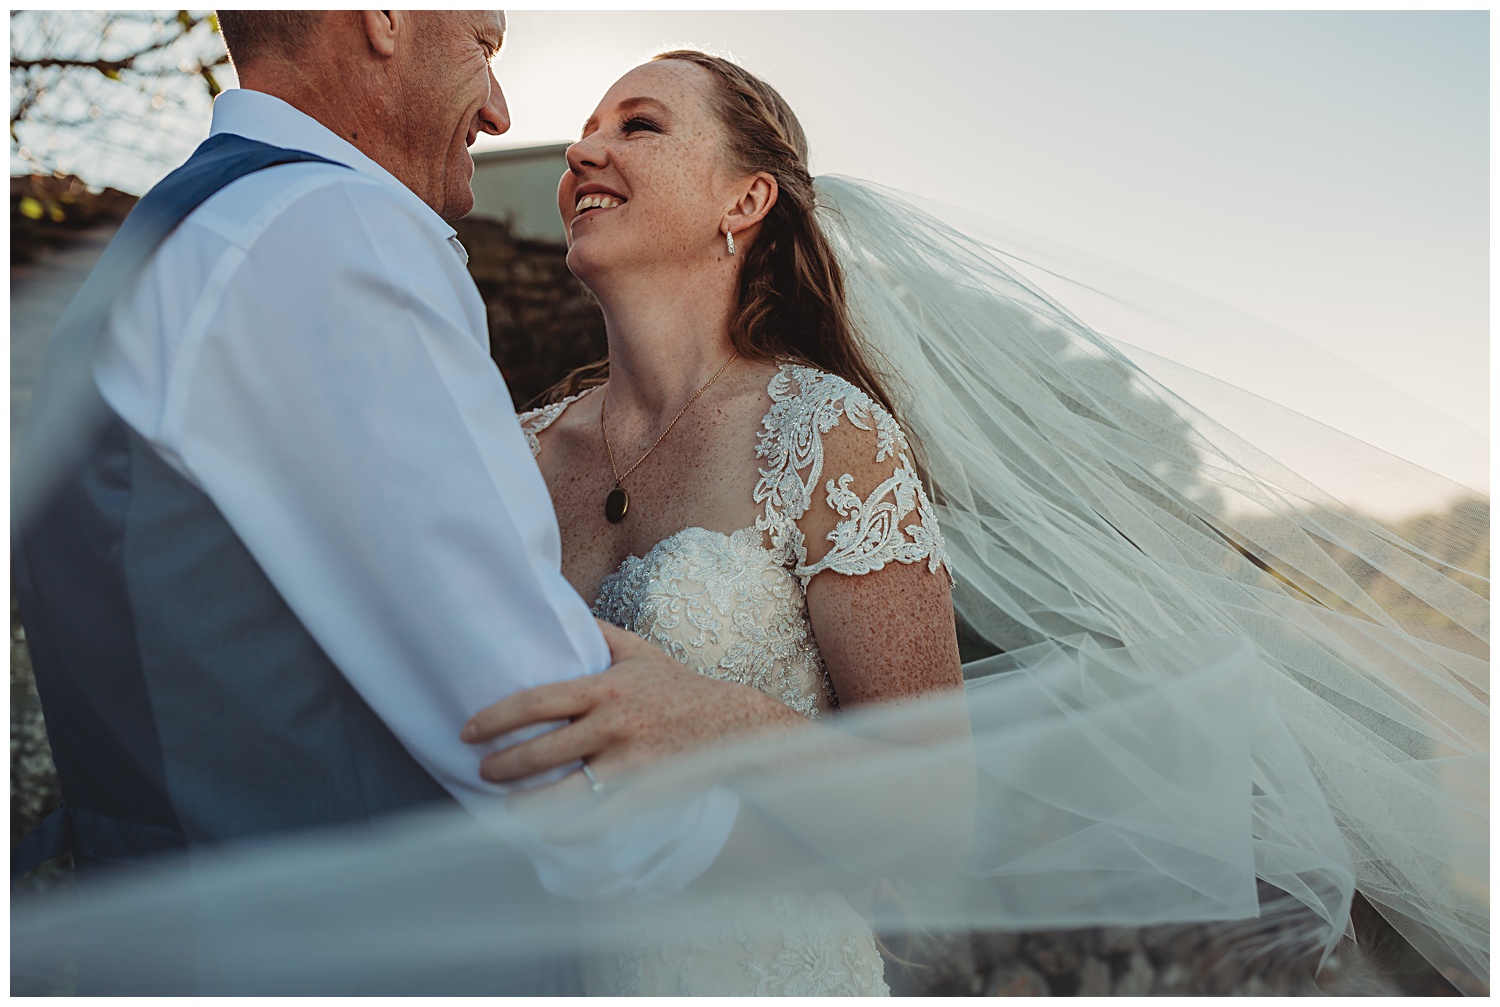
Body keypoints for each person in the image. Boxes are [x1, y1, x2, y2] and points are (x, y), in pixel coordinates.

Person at [457, 49, 1488, 995]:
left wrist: (712, 717)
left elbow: (931, 810)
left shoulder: (825, 438)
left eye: (637, 125)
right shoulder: (510, 451)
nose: (584, 148)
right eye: (588, 127)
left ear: (747, 197)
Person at [10, 12, 804, 993]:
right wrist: (807, 806)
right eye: (484, 44)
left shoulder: (177, 234)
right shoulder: (334, 232)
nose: (506, 112)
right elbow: (545, 751)